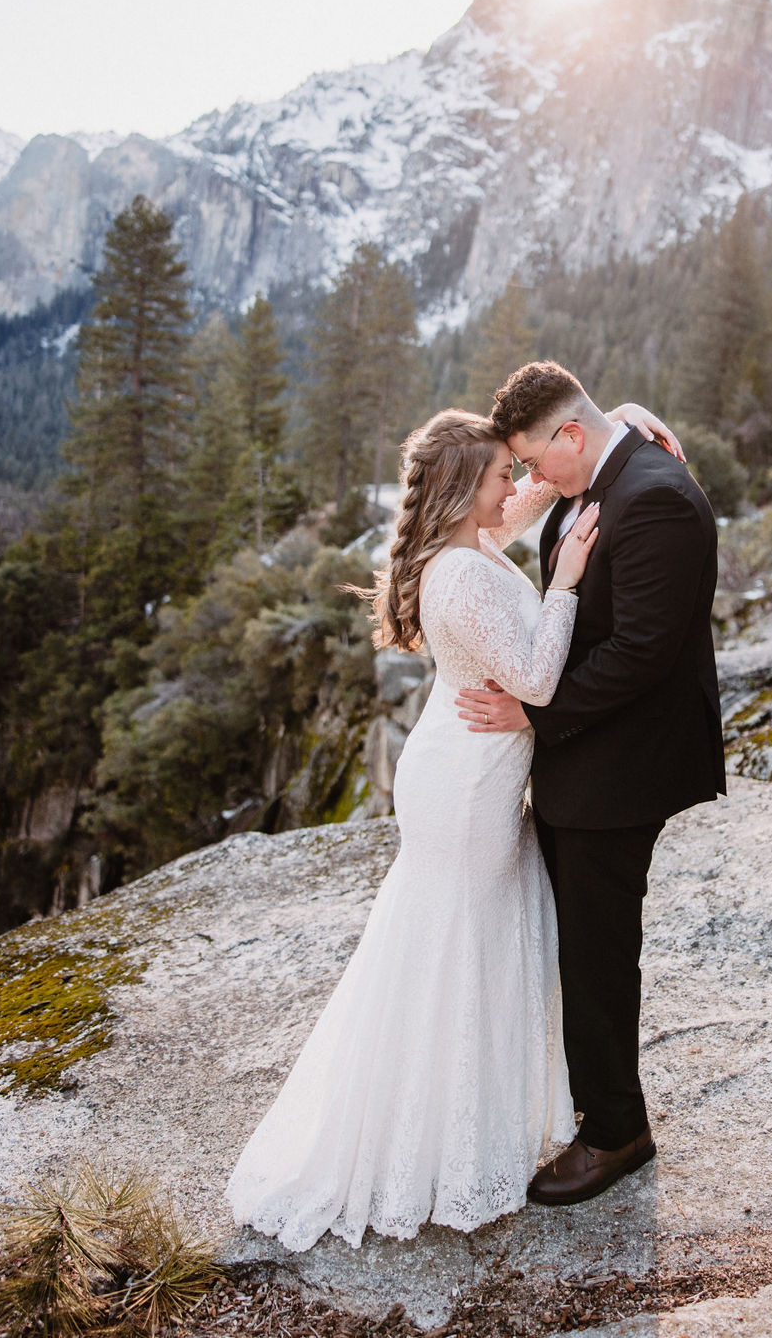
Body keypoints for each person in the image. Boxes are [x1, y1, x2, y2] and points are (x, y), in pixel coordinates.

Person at [225, 401, 663, 1249]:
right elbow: (537, 680)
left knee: (458, 946)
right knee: (458, 952)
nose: (517, 486)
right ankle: (435, 1145)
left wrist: (619, 420)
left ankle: (461, 1124)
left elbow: (538, 487)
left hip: (463, 770)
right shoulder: (461, 574)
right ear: (466, 488)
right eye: (502, 474)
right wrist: (567, 580)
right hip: (465, 789)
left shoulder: (466, 542)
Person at [456, 362, 725, 1207]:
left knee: (598, 948)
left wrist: (535, 715)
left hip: (624, 763)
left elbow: (642, 654)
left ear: (571, 433)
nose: (533, 480)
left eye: (537, 461)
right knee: (579, 937)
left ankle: (616, 1132)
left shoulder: (654, 500)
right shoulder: (596, 467)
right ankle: (599, 1108)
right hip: (584, 746)